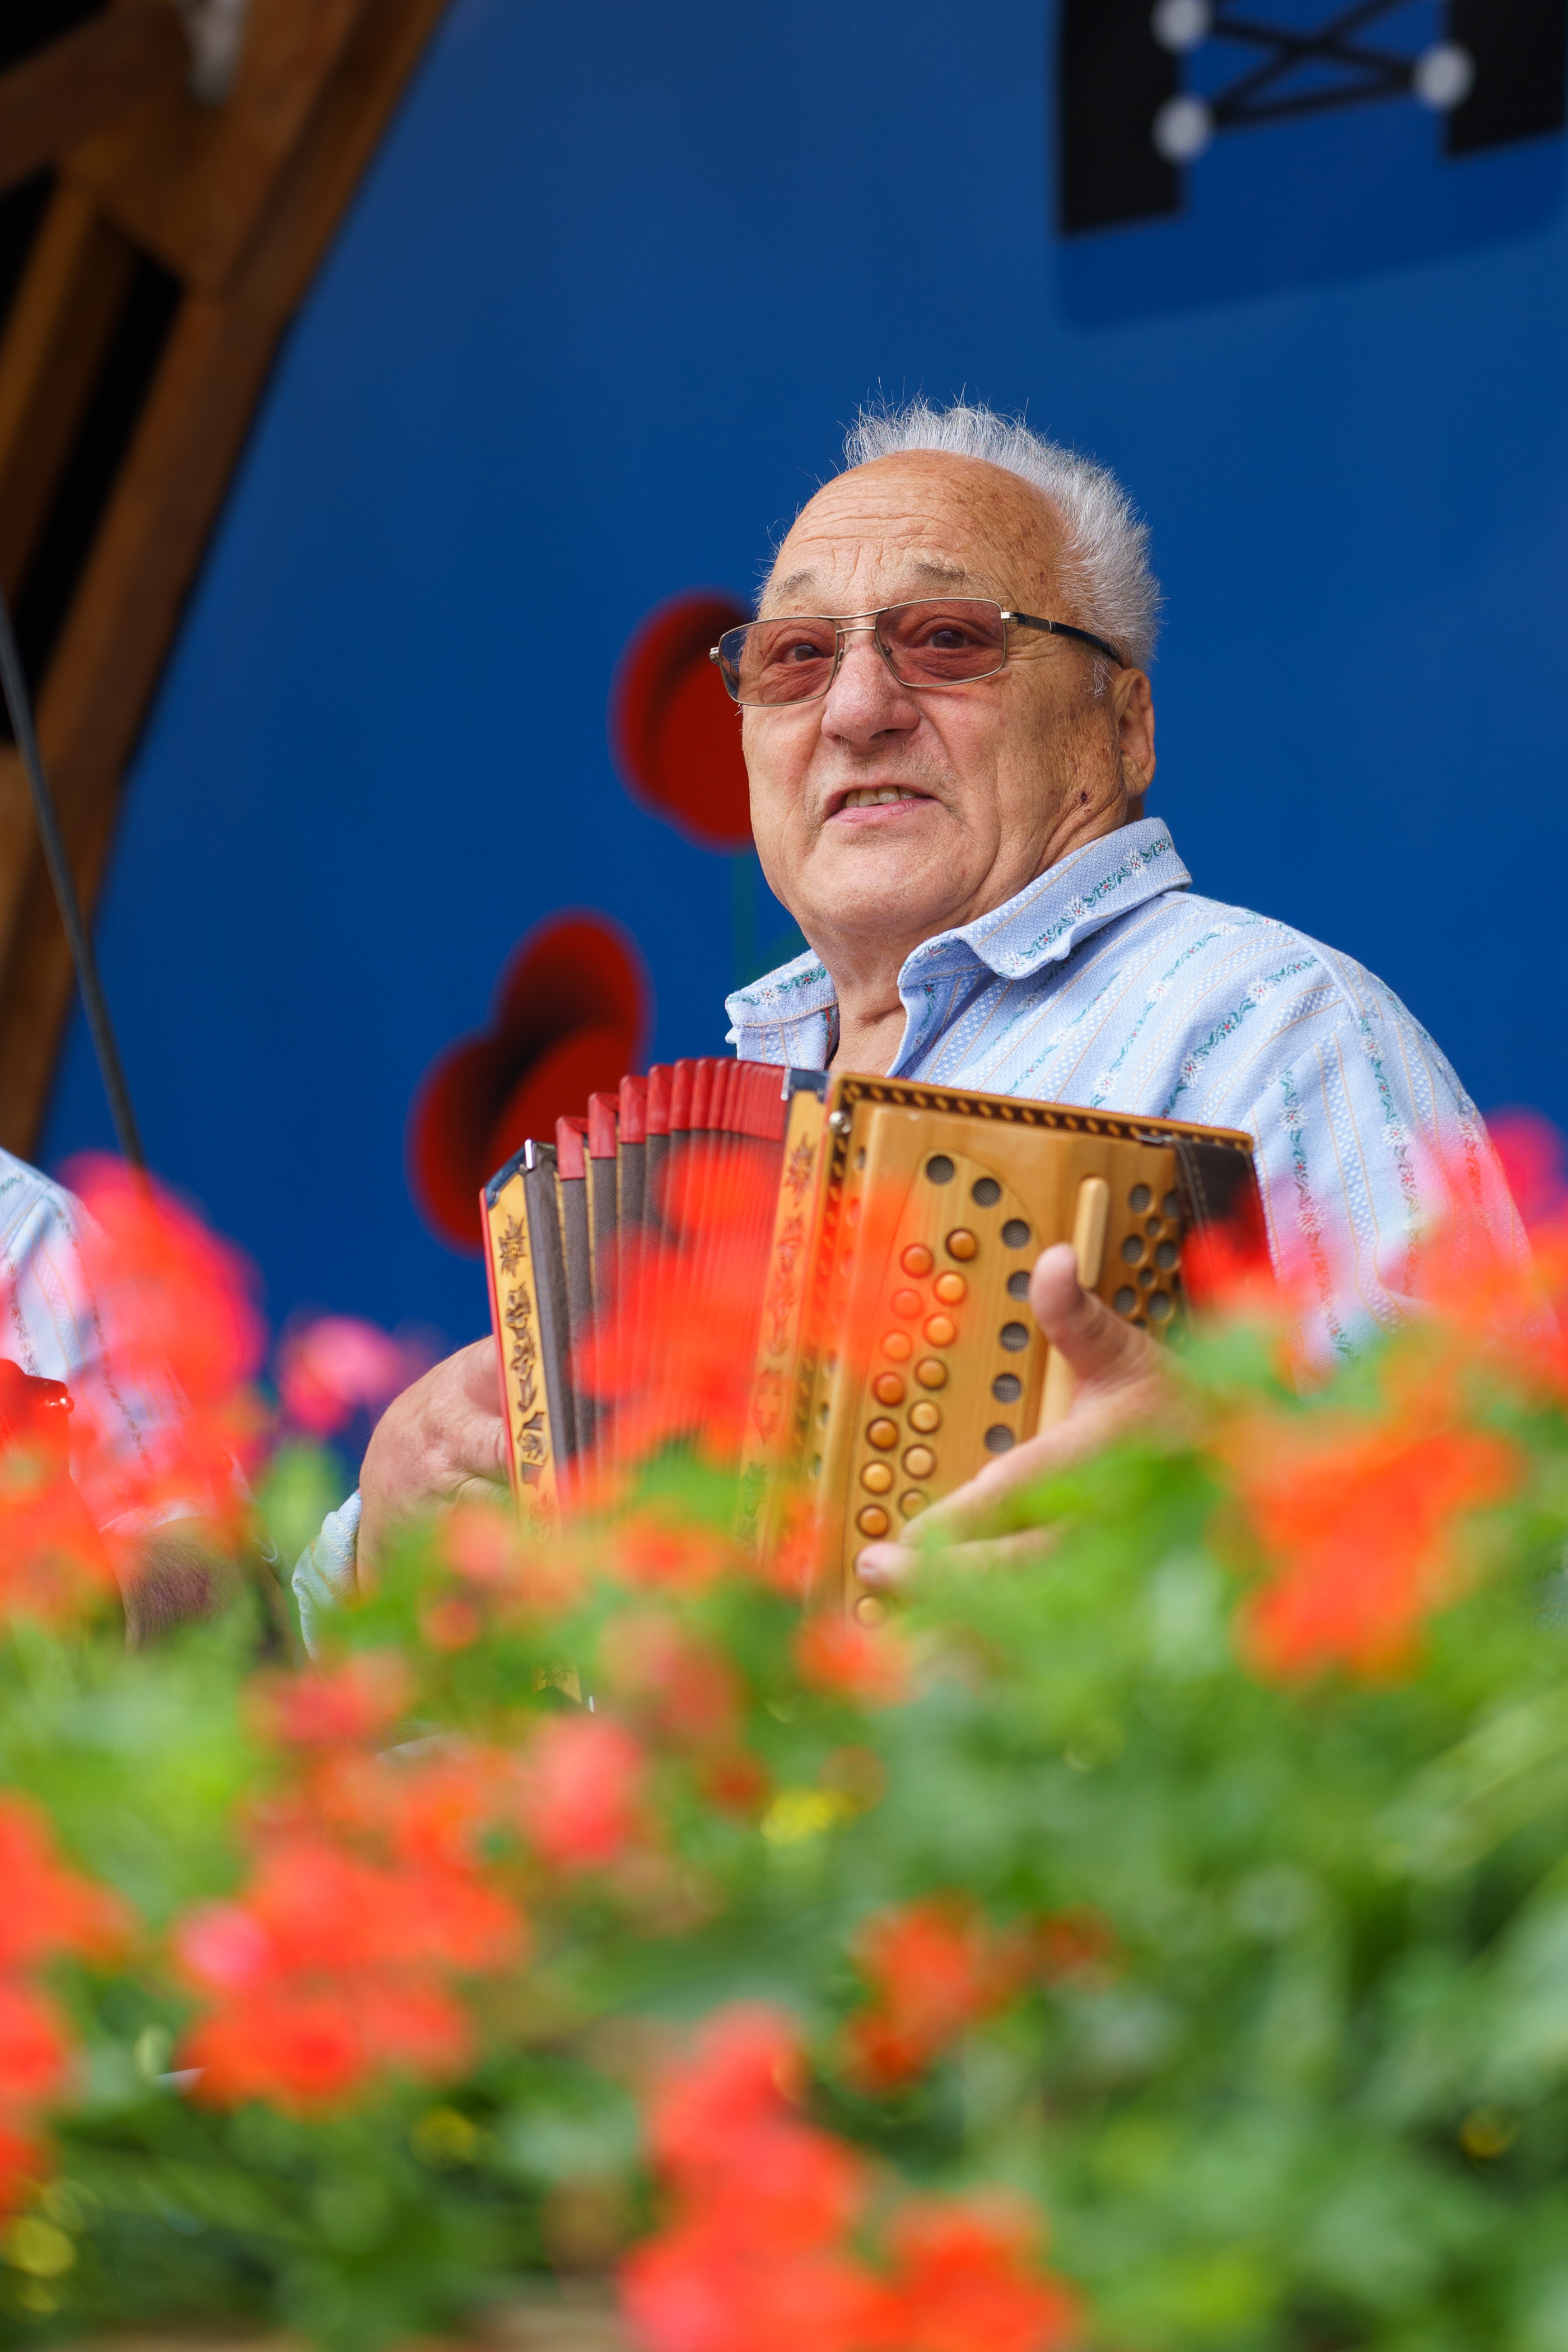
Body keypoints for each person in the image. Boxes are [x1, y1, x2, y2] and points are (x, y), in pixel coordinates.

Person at [297, 398, 1521, 1632]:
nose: (855, 707)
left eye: (944, 639)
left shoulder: (1266, 1022)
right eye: (794, 657)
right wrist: (381, 1542)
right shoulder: (706, 1123)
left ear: (1123, 724)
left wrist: (1210, 1512)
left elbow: (1512, 1563)